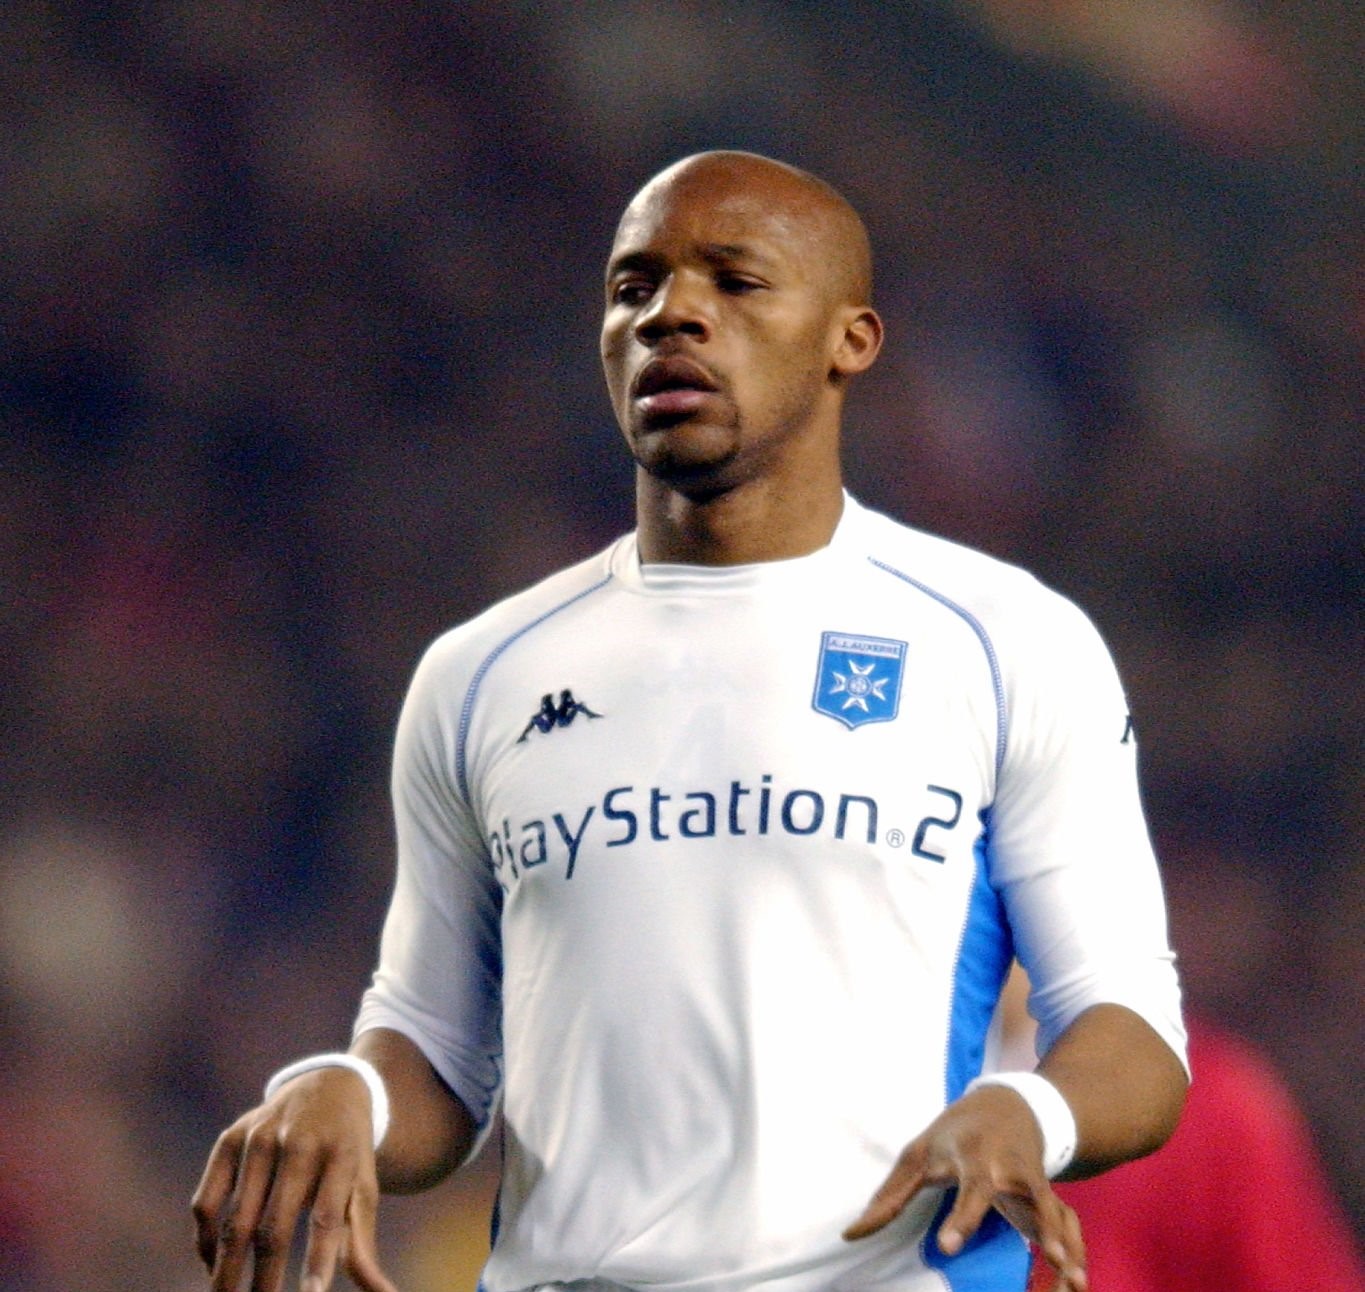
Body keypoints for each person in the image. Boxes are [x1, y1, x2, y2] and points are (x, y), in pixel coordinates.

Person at [192, 151, 1189, 1292]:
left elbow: (1134, 1034)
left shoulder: (1010, 641)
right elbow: (438, 1052)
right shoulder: (481, 674)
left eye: (735, 281)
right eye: (634, 287)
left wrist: (1031, 1109)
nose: (672, 315)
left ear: (849, 341)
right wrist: (348, 1090)